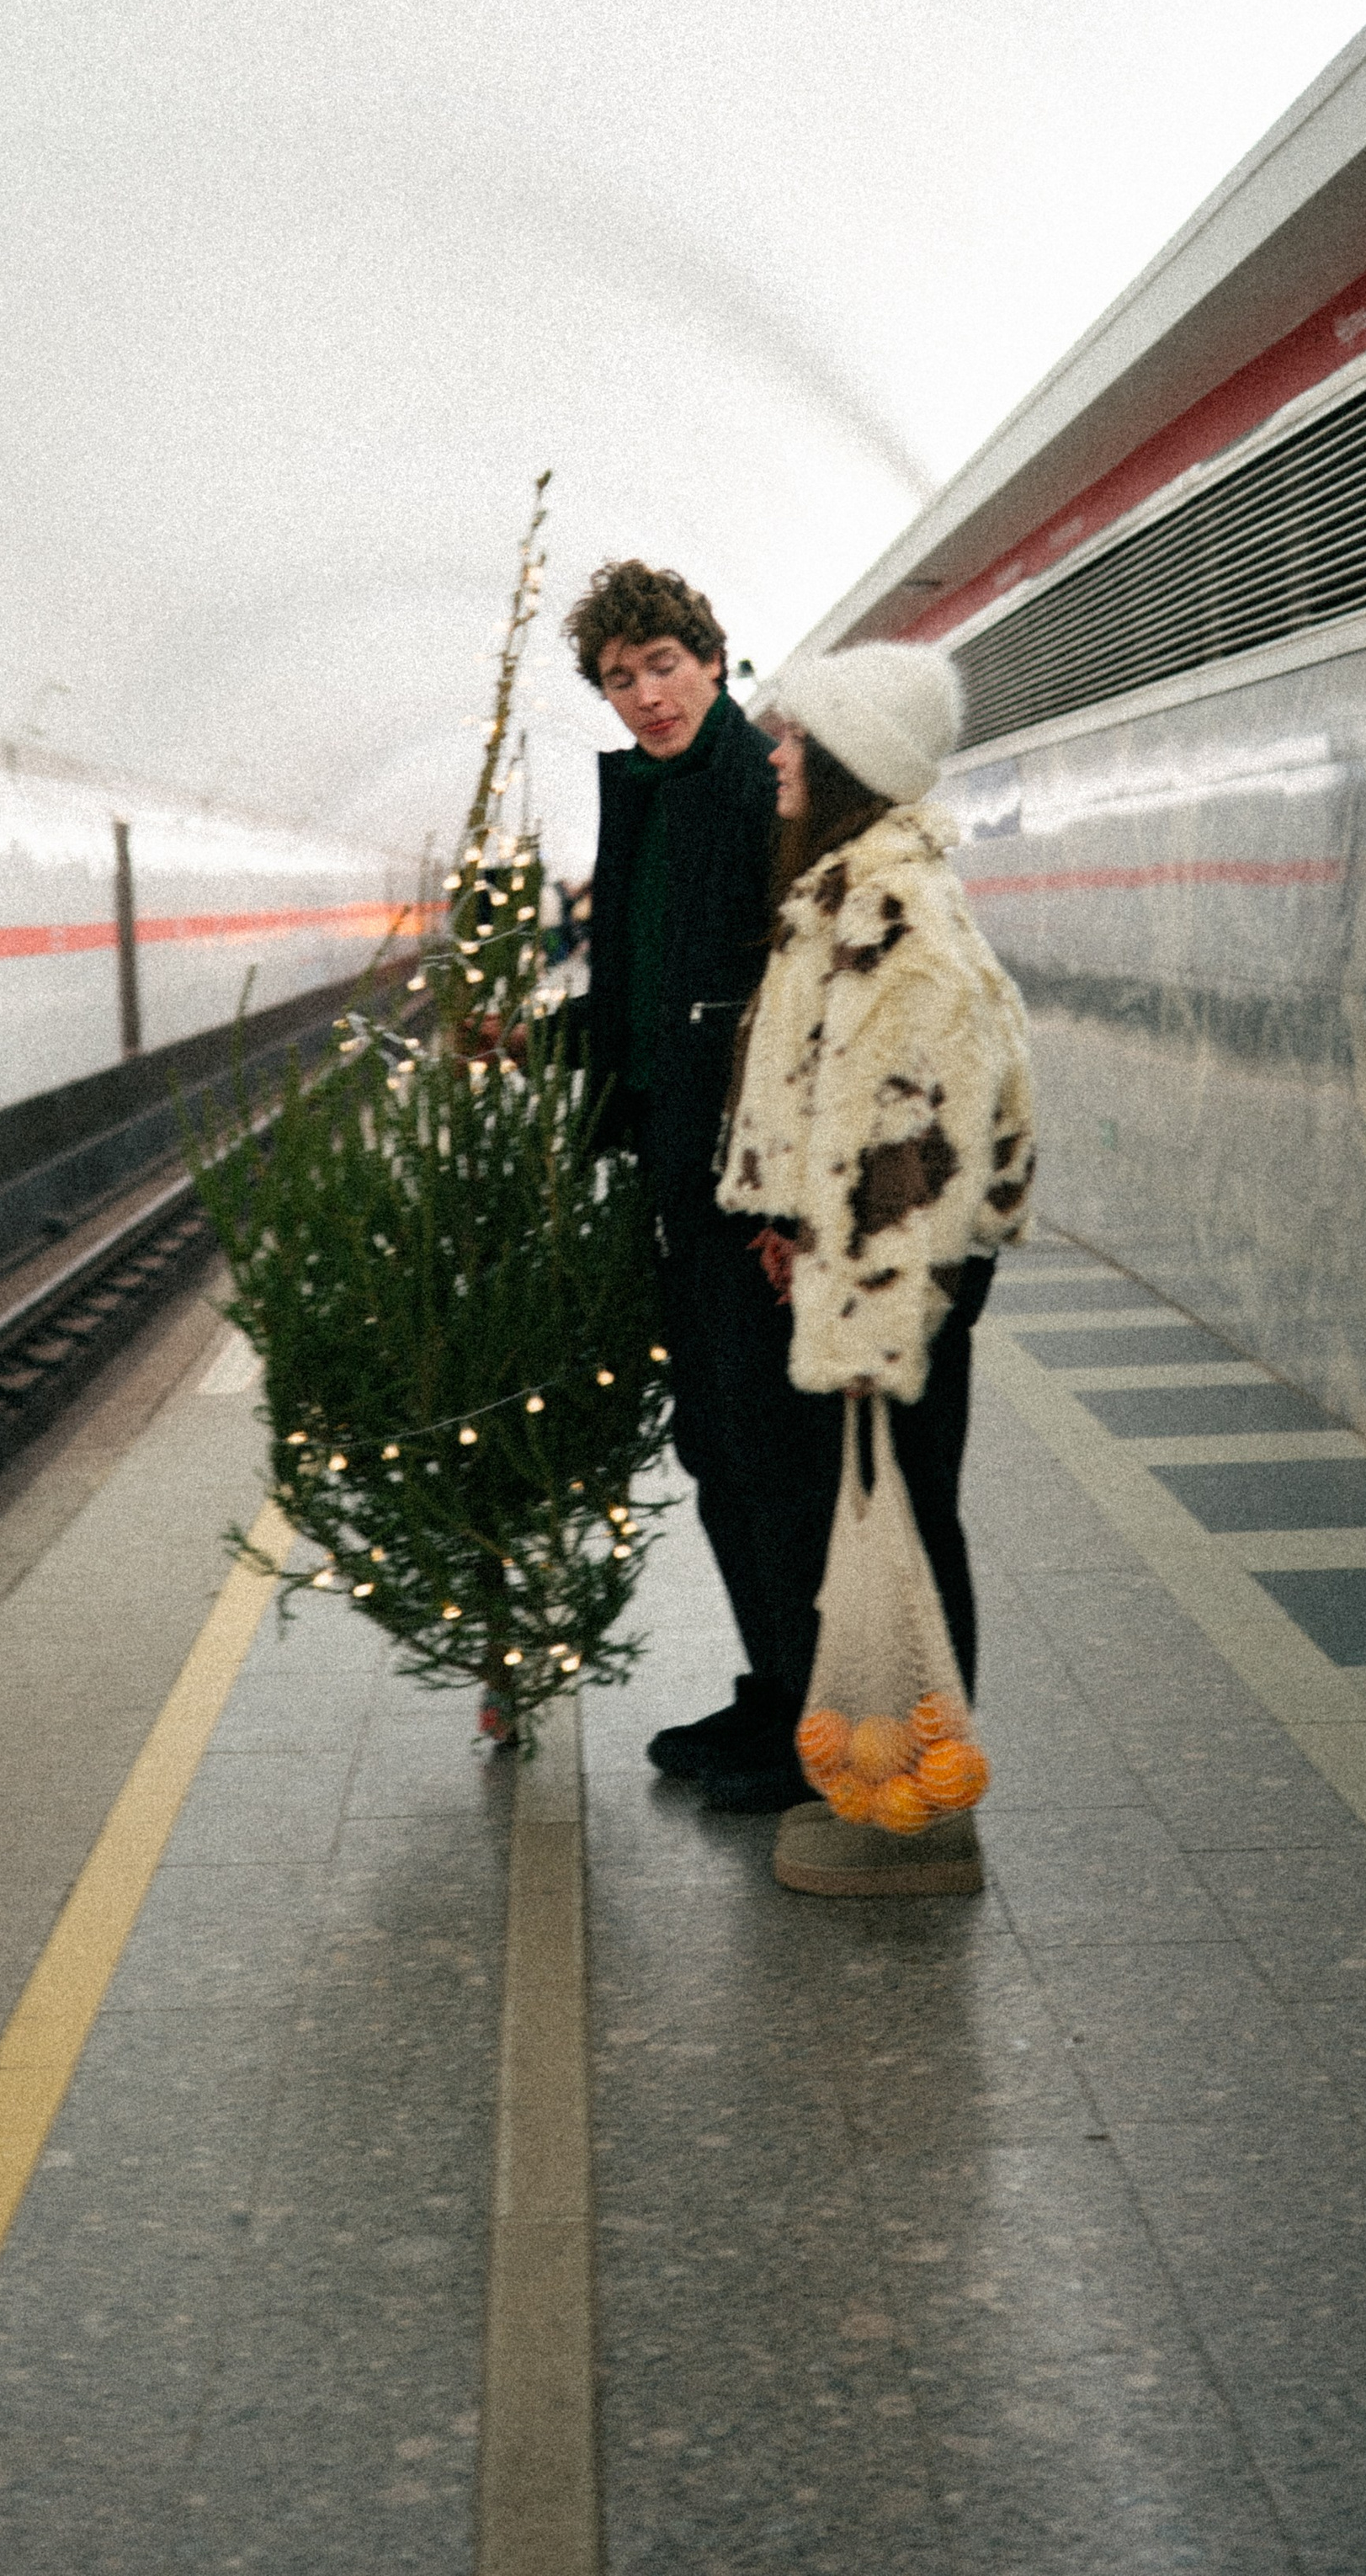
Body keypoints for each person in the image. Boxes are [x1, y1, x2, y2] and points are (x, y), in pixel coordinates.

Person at [716, 639, 1036, 1893]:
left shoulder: (892, 916)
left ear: (851, 762)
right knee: (893, 1515)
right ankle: (891, 1793)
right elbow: (825, 1101)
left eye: (797, 739)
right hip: (859, 1268)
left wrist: (863, 1324)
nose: (778, 757)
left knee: (907, 1525)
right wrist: (789, 1214)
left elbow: (905, 1145)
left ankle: (920, 1823)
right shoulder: (850, 891)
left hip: (898, 1285)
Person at [561, 558, 842, 1812]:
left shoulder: (760, 787)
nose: (646, 696)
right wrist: (548, 1045)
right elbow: (634, 995)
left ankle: (817, 1719)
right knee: (717, 1448)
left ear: (711, 659)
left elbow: (798, 1007)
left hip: (753, 1189)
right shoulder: (646, 798)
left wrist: (788, 1200)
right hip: (676, 1177)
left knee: (774, 1453)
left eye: (662, 666)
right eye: (621, 680)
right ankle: (777, 1688)